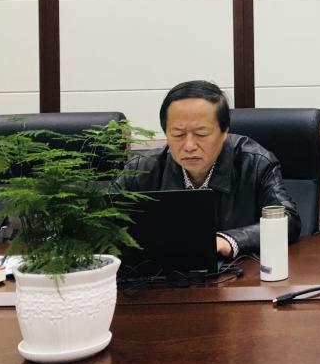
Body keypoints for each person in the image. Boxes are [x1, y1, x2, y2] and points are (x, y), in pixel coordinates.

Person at [119, 80, 301, 257]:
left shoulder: (255, 163)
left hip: (238, 273)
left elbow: (287, 220)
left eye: (201, 134)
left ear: (224, 132)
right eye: (178, 134)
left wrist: (228, 241)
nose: (189, 146)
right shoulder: (140, 171)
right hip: (161, 273)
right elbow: (106, 225)